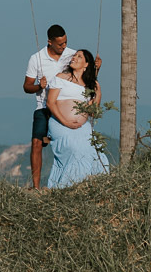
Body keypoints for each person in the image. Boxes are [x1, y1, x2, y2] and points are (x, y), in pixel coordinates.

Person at [45, 49, 109, 188]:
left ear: (86, 64)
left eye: (79, 57)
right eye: (74, 55)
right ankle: (68, 186)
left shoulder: (90, 85)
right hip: (60, 123)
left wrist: (98, 93)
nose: (74, 58)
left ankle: (93, 186)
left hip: (82, 127)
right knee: (75, 149)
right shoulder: (61, 77)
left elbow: (93, 112)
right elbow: (51, 102)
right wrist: (65, 122)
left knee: (95, 151)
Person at [22, 24, 74, 189]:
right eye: (60, 44)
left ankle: (70, 182)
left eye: (65, 42)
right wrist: (39, 86)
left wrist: (96, 69)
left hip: (66, 106)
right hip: (44, 107)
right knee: (36, 142)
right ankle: (36, 186)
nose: (64, 46)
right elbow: (26, 86)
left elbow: (84, 79)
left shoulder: (72, 55)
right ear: (49, 42)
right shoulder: (36, 58)